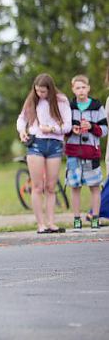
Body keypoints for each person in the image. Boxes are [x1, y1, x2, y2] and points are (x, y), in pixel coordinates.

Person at [16, 73, 71, 234]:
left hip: (54, 144)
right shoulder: (32, 99)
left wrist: (53, 129)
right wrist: (22, 132)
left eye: (43, 92)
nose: (40, 94)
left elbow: (68, 125)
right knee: (38, 186)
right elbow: (21, 119)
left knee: (51, 186)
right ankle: (41, 224)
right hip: (36, 144)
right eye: (38, 91)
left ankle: (51, 223)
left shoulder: (61, 100)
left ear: (50, 90)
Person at [64, 75, 107, 231]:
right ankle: (77, 219)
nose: (81, 90)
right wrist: (71, 130)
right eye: (77, 88)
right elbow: (64, 130)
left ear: (88, 88)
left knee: (94, 186)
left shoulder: (97, 106)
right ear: (73, 89)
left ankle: (95, 219)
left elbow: (104, 131)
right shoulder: (69, 107)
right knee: (75, 187)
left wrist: (91, 126)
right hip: (73, 154)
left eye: (83, 87)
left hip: (91, 153)